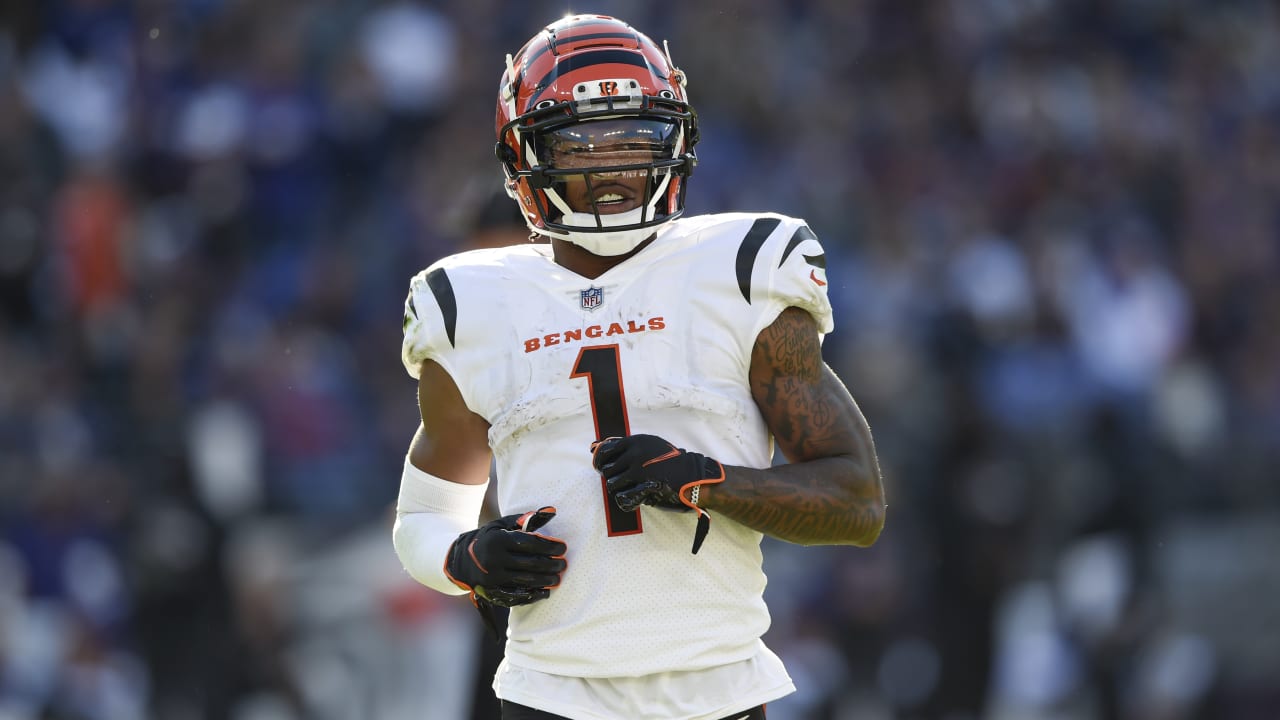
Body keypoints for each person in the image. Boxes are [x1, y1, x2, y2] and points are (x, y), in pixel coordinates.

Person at [392, 14, 886, 720]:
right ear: (522, 157)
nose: (614, 170)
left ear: (677, 139)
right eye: (581, 146)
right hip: (550, 695)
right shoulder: (466, 302)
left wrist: (703, 480)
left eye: (634, 140)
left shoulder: (743, 269)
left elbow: (856, 502)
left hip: (719, 688)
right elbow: (422, 518)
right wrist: (464, 559)